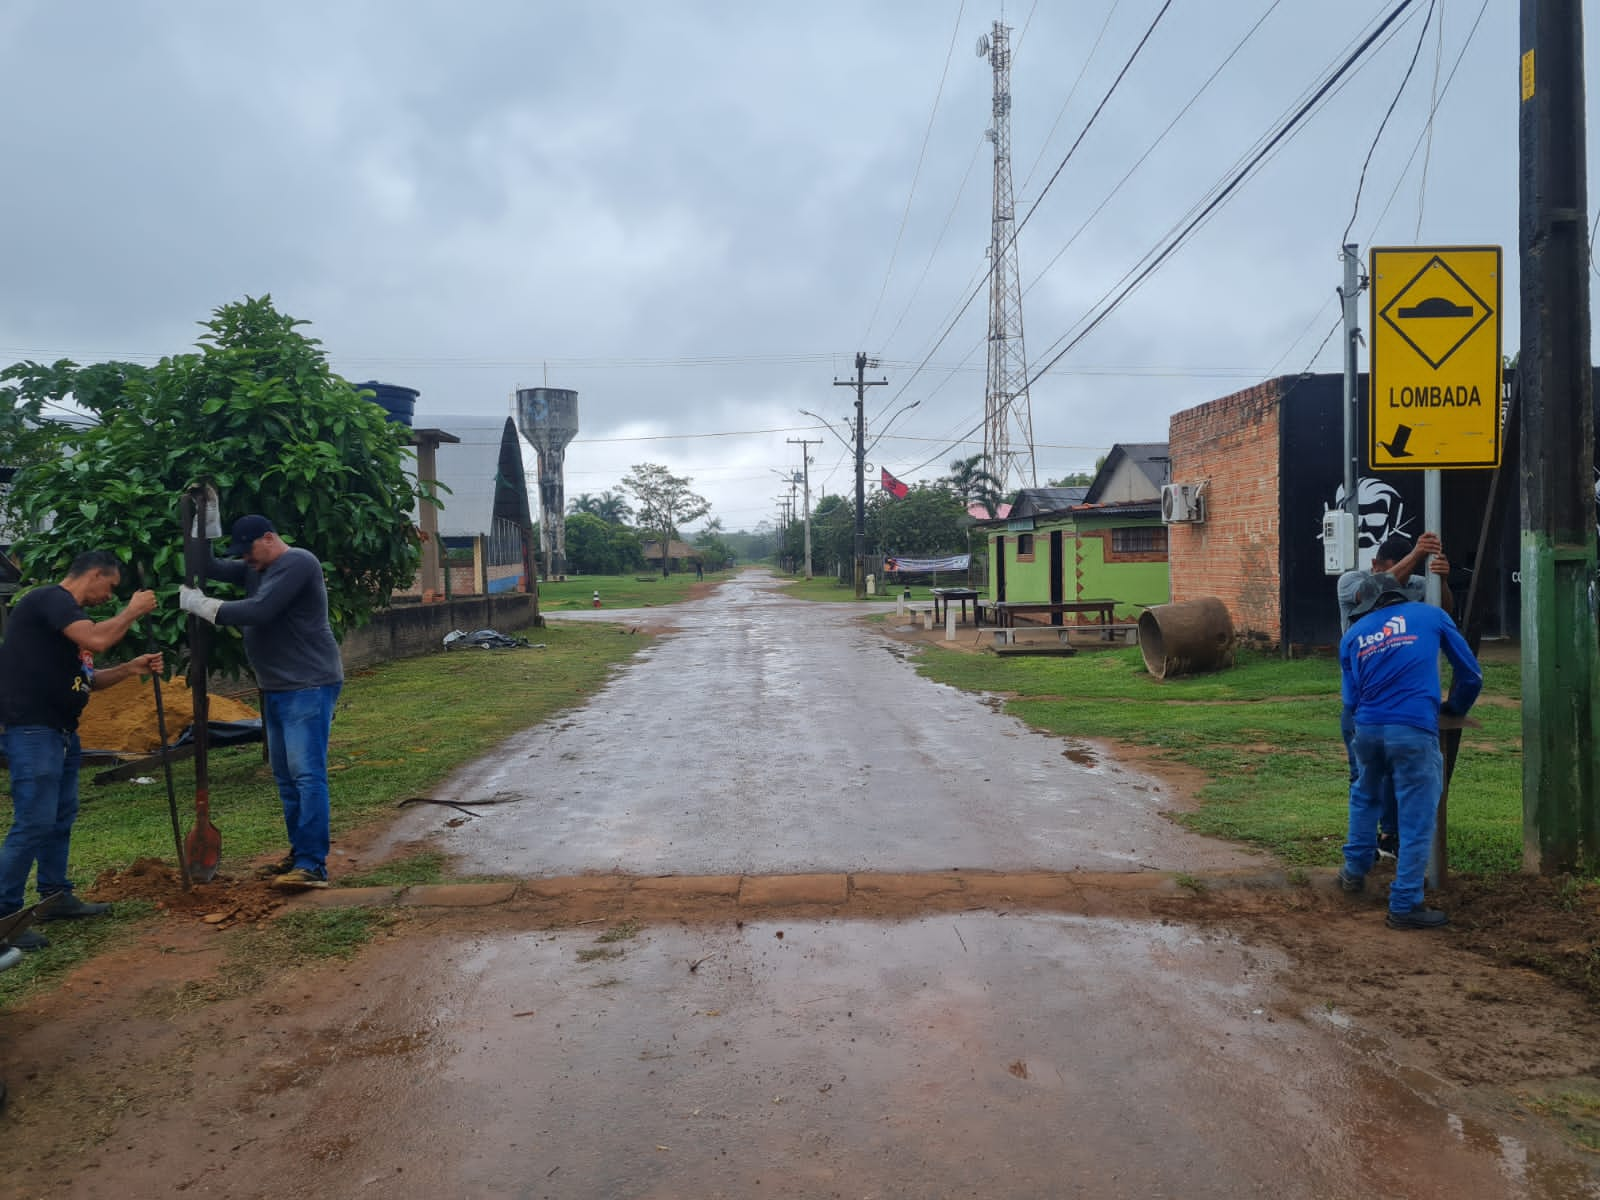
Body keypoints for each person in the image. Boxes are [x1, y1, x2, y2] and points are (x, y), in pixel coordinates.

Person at [0, 552, 161, 949]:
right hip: (32, 730)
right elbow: (99, 638)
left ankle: (55, 897)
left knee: (59, 817)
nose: (110, 596)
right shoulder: (51, 600)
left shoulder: (66, 621)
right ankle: (3, 918)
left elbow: (87, 679)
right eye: (110, 587)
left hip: (61, 733)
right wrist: (133, 610)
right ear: (94, 575)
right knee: (34, 821)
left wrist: (128, 669)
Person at [179, 515, 342, 891]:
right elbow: (207, 566)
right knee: (286, 778)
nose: (245, 561)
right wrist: (205, 520)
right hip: (277, 687)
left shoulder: (297, 563)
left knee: (306, 775)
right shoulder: (260, 567)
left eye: (248, 550)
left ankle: (313, 865)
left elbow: (259, 611)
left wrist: (203, 606)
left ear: (269, 538)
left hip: (309, 684)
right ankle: (300, 854)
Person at [1337, 574, 1481, 929]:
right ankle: (1404, 906)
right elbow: (1471, 675)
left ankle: (1353, 873)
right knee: (1416, 818)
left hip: (1368, 730)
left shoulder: (1353, 635)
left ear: (1367, 605)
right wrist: (1454, 708)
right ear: (1397, 596)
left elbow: (1351, 700)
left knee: (1365, 797)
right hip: (1414, 731)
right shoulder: (1430, 615)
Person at [1334, 531, 1453, 857]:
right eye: (1398, 566)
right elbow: (1374, 590)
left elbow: (1444, 612)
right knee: (1364, 774)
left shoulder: (1413, 584)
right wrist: (1416, 555)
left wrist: (1440, 580)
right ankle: (1363, 847)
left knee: (1394, 774)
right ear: (1376, 564)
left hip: (1402, 697)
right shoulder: (1351, 581)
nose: (1406, 576)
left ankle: (1389, 838)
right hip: (1361, 698)